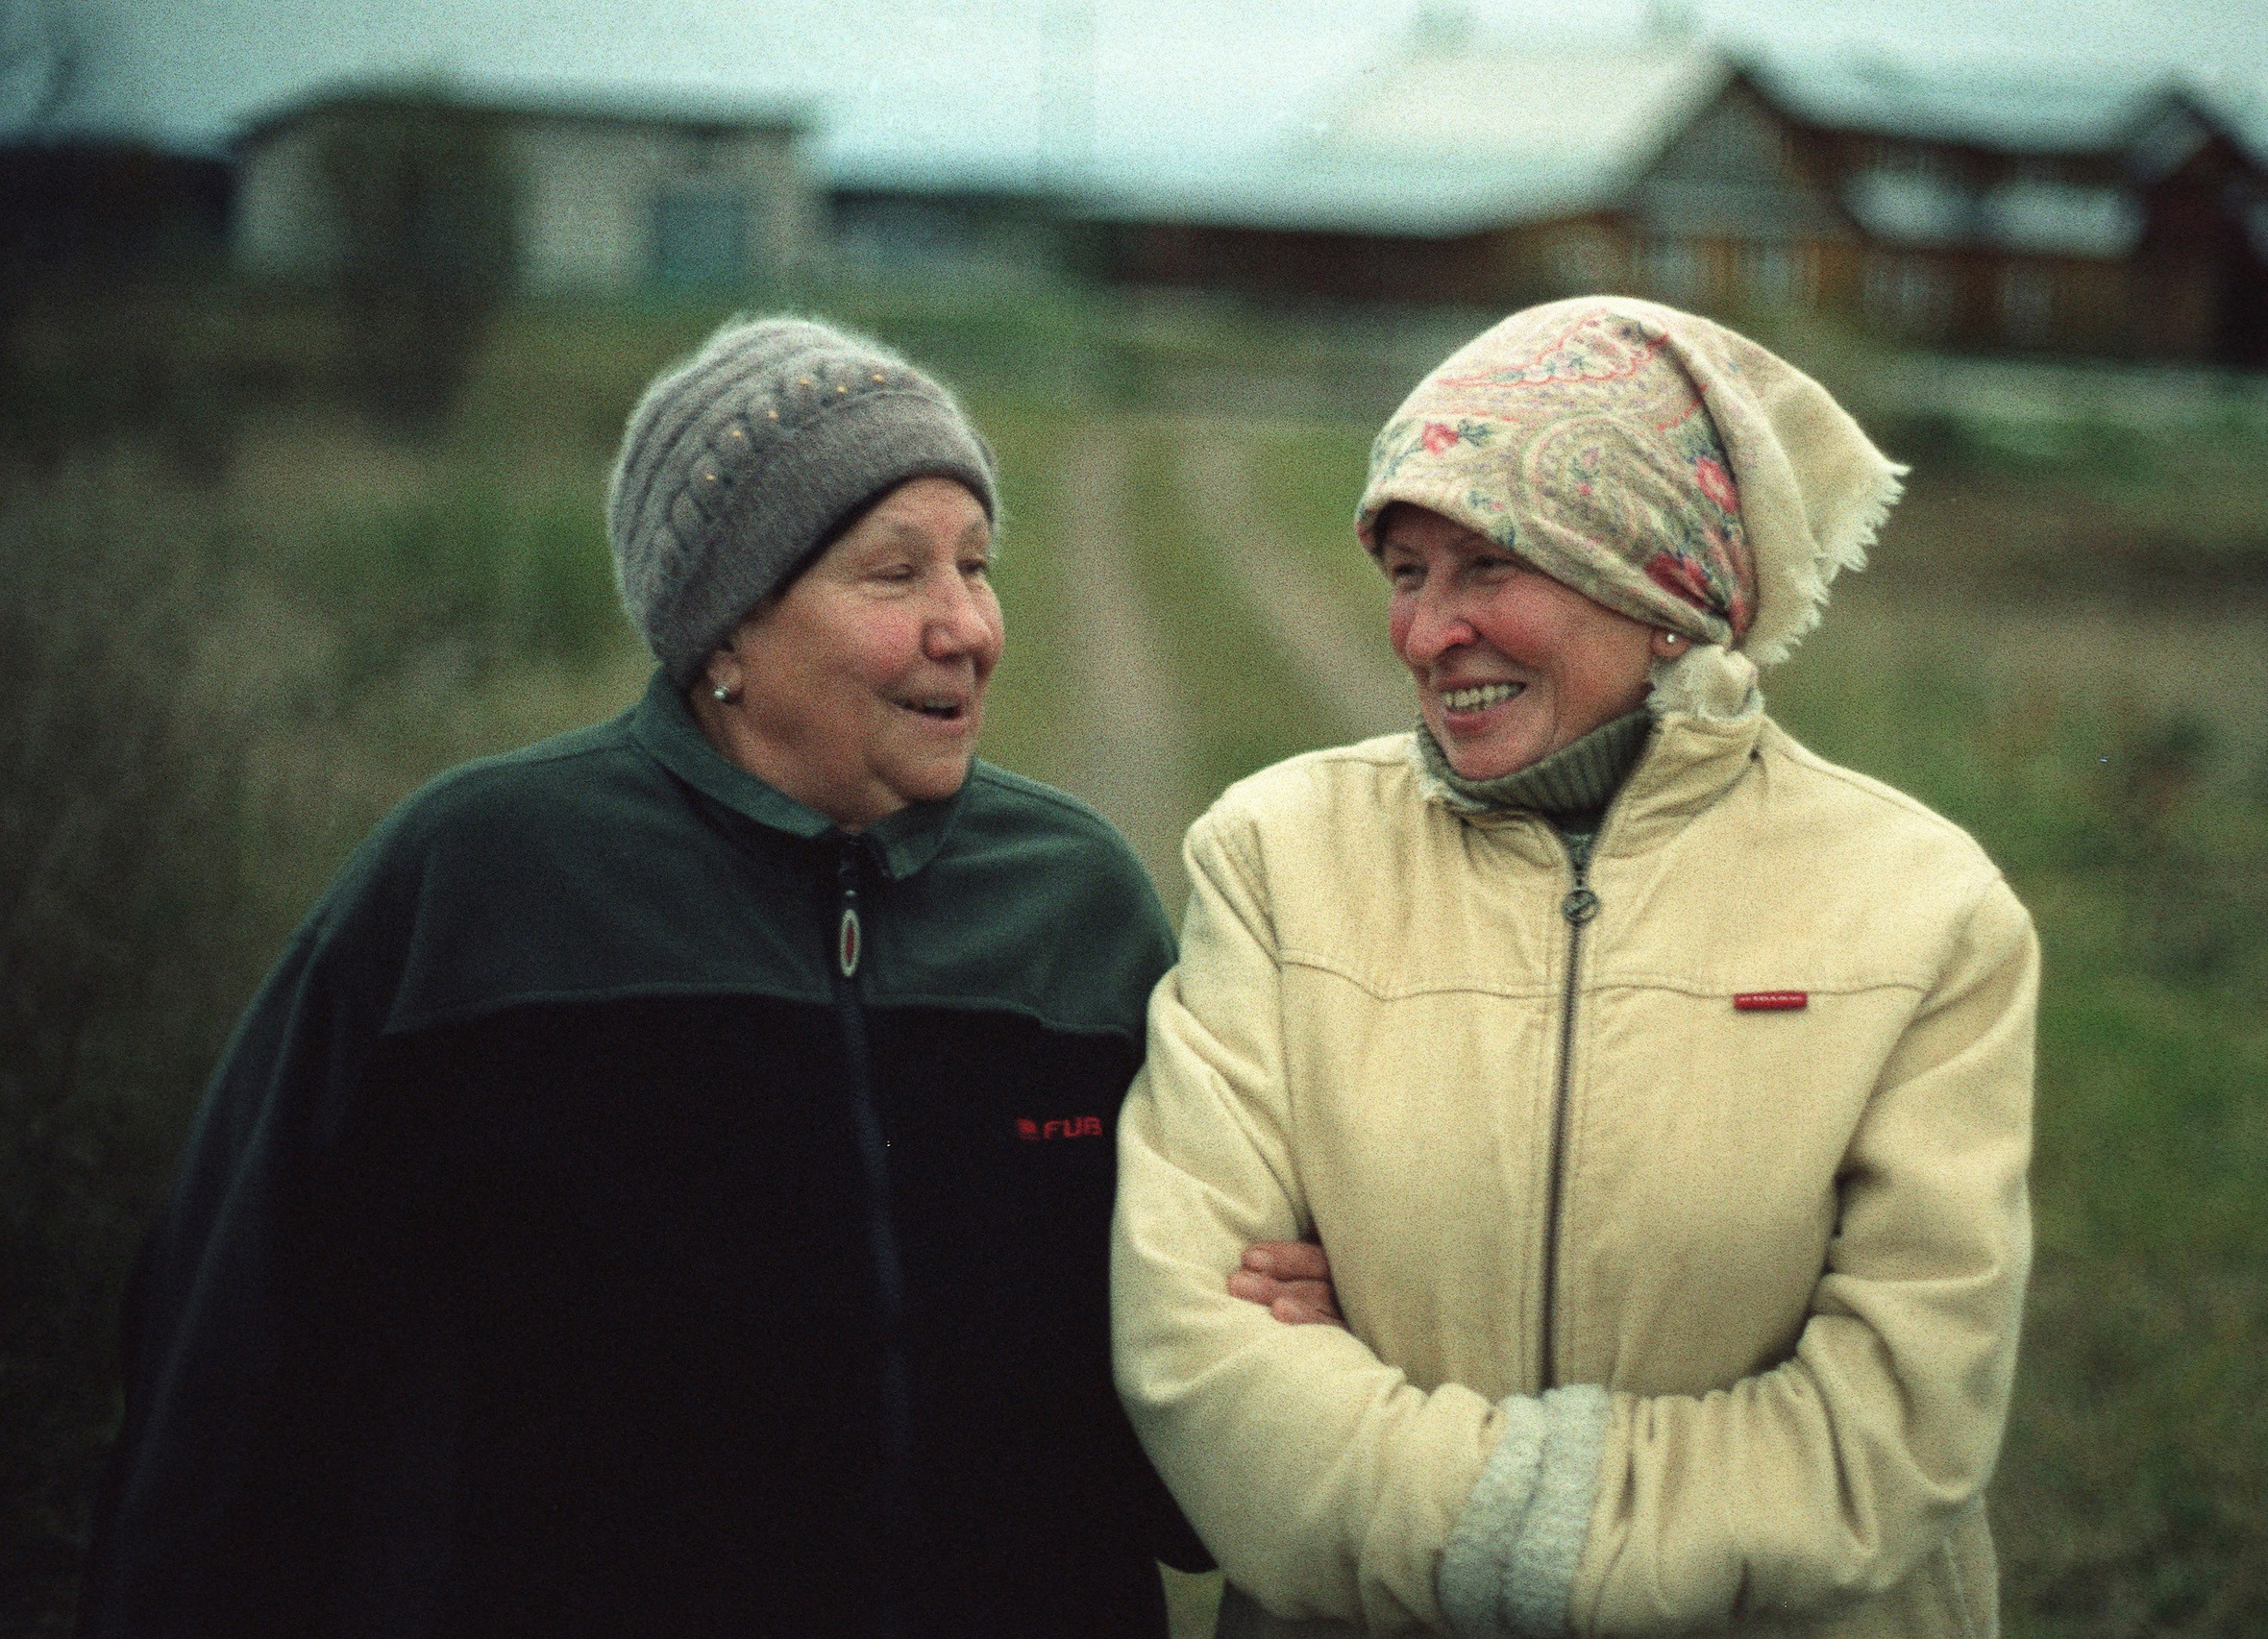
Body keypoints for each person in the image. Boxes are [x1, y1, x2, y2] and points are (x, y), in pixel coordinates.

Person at [80, 316, 1202, 1638]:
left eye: (976, 563)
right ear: (724, 630)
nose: (965, 624)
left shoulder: (1076, 901)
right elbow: (233, 1354)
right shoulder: (474, 883)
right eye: (894, 573)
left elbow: (1183, 1382)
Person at [1112, 297, 2036, 1639]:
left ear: (1659, 585)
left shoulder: (1922, 912)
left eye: (1488, 565)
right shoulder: (1273, 857)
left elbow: (1888, 1431)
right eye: (1407, 571)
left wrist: (1491, 1507)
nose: (1429, 633)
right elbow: (1201, 1348)